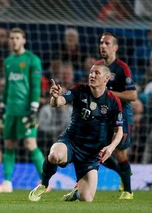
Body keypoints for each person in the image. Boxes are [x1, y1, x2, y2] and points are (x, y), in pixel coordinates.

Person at [28, 64, 123, 202]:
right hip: (71, 142)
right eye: (91, 72)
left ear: (106, 78)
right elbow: (58, 102)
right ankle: (43, 184)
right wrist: (55, 97)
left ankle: (76, 193)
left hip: (92, 153)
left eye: (97, 73)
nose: (92, 75)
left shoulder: (113, 101)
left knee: (87, 198)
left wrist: (111, 147)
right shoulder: (80, 90)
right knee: (54, 155)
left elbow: (119, 131)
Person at [0, 28, 44, 193]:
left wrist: (34, 108)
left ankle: (45, 180)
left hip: (26, 110)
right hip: (10, 111)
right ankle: (7, 183)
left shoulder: (32, 59)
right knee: (8, 144)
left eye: (17, 38)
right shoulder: (8, 61)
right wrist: (1, 106)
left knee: (30, 143)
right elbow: (7, 87)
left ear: (24, 40)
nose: (14, 41)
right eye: (12, 38)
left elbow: (36, 86)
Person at [98, 32, 137, 199]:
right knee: (99, 152)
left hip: (122, 115)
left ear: (115, 47)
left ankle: (128, 191)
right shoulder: (98, 66)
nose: (103, 46)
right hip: (103, 114)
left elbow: (132, 96)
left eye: (107, 43)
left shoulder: (122, 68)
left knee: (120, 152)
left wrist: (111, 94)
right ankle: (123, 174)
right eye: (101, 43)